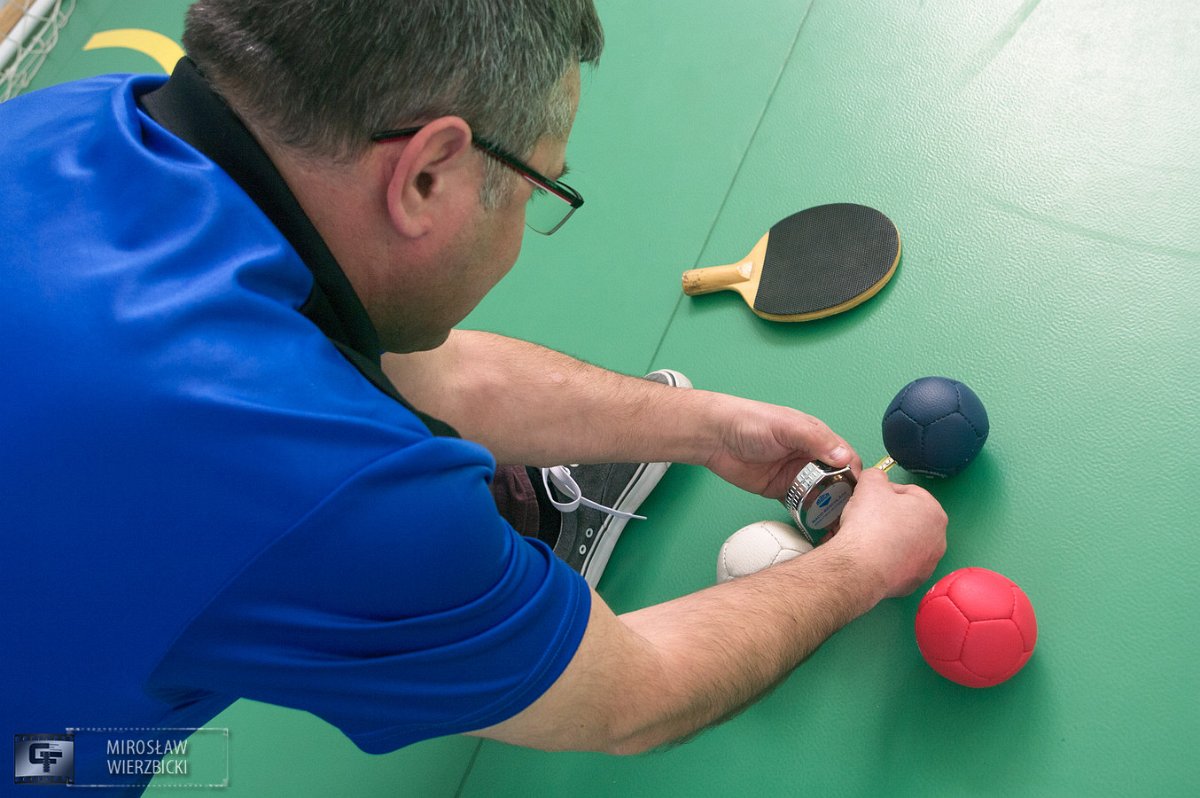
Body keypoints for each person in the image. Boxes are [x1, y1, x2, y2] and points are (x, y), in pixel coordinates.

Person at [0, 0, 946, 784]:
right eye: (542, 187)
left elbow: (430, 375)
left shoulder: (69, 122)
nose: (534, 208)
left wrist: (707, 428)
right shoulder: (326, 486)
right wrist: (860, 566)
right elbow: (630, 695)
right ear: (424, 175)